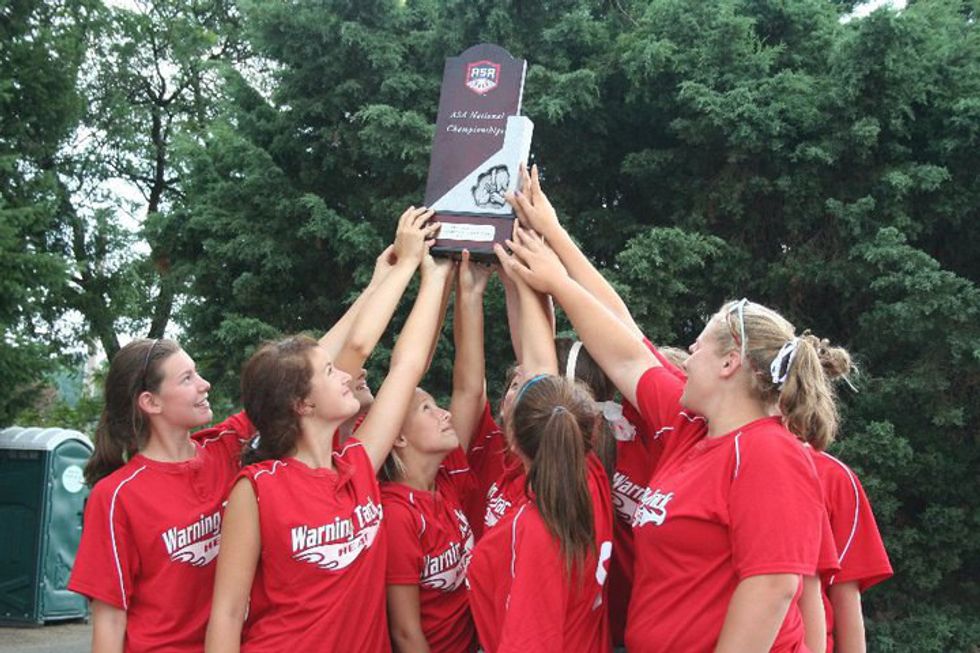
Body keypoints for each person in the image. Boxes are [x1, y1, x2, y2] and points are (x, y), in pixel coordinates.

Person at [500, 186, 843, 651]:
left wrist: (558, 275)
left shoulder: (768, 451)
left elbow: (772, 588)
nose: (690, 351)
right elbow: (627, 349)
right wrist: (554, 240)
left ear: (730, 363)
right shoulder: (691, 430)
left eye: (700, 343)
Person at [204, 207, 452, 652]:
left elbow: (407, 366)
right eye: (330, 371)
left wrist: (436, 276)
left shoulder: (358, 464)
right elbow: (226, 613)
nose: (346, 375)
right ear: (302, 404)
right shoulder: (257, 488)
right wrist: (406, 265)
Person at [466, 249, 613, 652]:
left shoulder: (532, 529)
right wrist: (516, 273)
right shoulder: (590, 478)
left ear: (513, 439)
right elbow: (539, 364)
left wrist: (517, 267)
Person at [68, 338, 255, 653]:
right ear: (151, 402)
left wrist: (355, 306)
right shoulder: (116, 496)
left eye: (196, 373)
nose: (205, 384)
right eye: (187, 378)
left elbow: (298, 374)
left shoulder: (225, 449)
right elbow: (110, 621)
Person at [382, 251, 493, 653]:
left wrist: (469, 292)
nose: (444, 413)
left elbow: (469, 389)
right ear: (397, 437)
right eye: (426, 408)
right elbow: (406, 633)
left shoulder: (444, 481)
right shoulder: (397, 514)